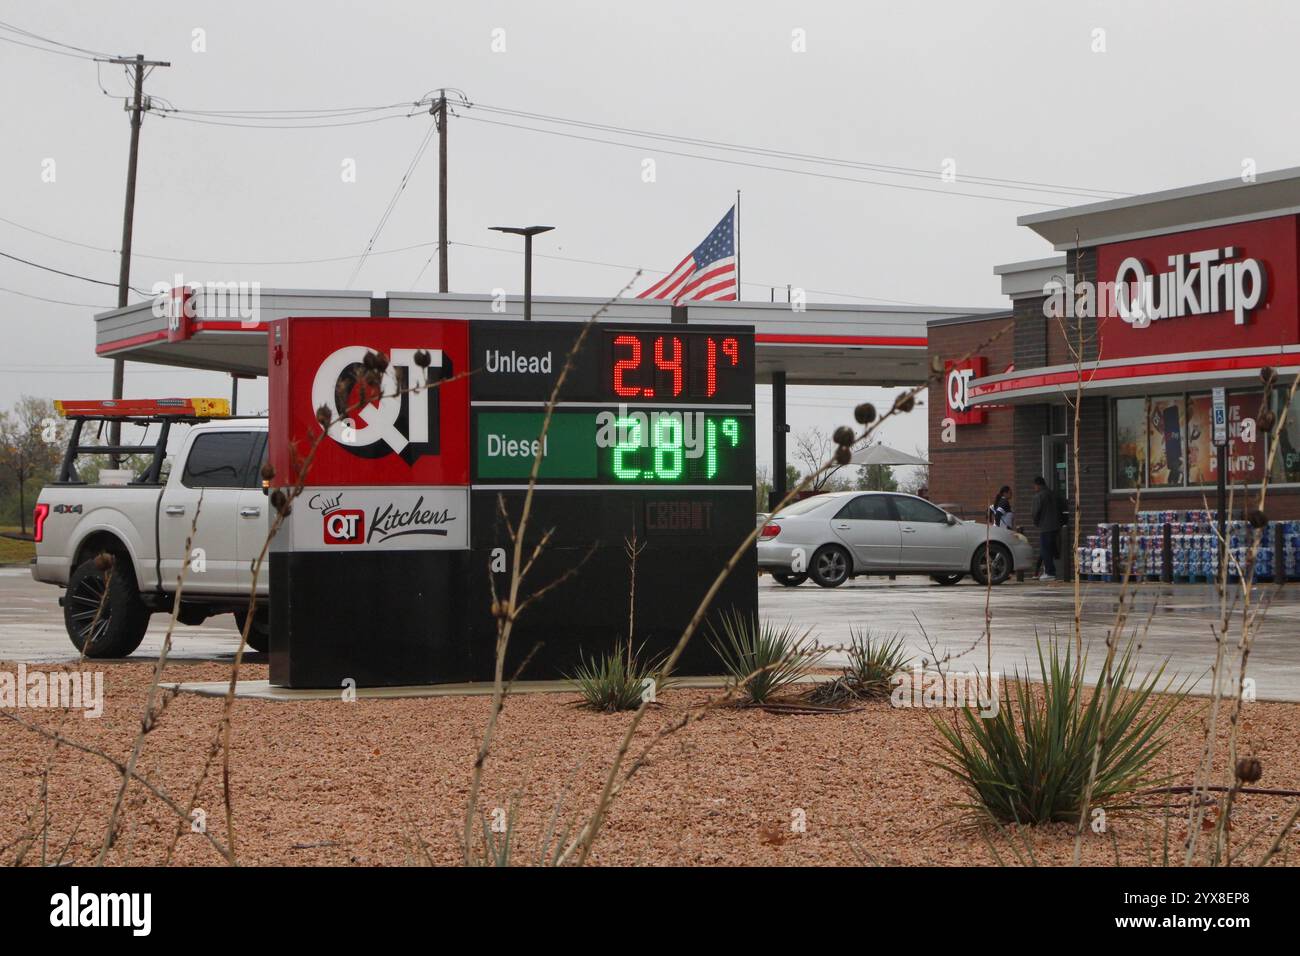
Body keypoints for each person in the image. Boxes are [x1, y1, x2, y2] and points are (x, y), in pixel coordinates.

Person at [1031, 476, 1060, 582]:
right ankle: (1047, 571)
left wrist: (1036, 522)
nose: (1034, 488)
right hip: (1056, 526)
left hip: (1045, 526)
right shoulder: (1052, 494)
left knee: (1045, 549)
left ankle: (1050, 572)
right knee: (1050, 549)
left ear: (1038, 485)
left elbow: (1035, 512)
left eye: (1034, 486)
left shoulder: (1039, 496)